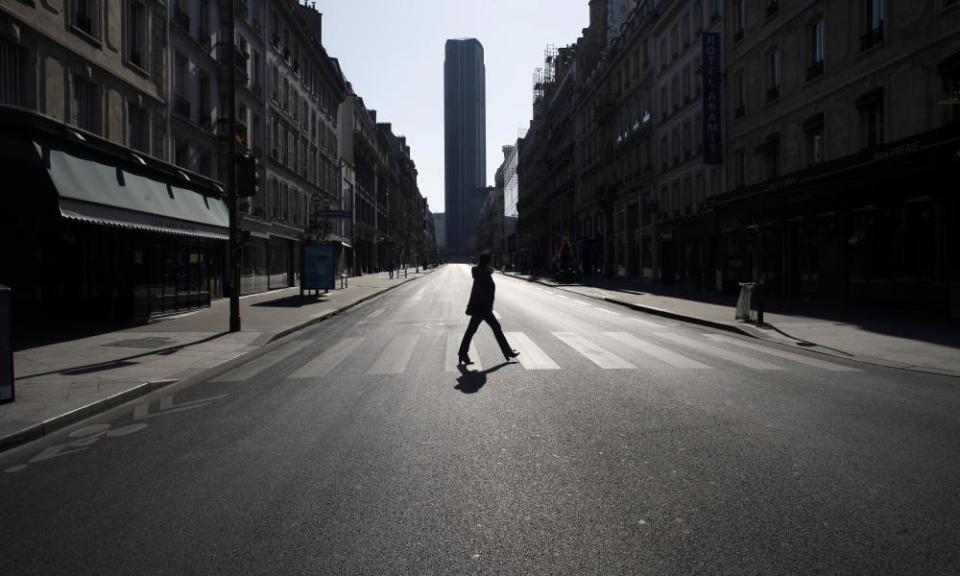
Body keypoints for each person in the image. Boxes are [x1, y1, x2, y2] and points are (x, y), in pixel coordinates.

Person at [458, 252, 520, 365]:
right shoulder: (484, 273)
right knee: (493, 328)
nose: (492, 262)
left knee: (472, 331)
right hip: (482, 308)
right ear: (487, 262)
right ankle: (508, 352)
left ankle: (462, 353)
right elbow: (482, 292)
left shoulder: (481, 272)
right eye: (490, 261)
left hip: (480, 308)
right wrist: (486, 308)